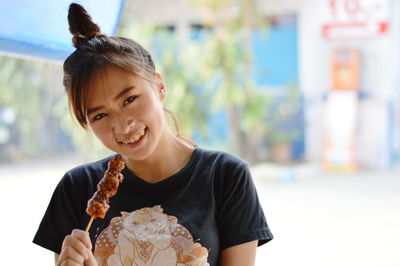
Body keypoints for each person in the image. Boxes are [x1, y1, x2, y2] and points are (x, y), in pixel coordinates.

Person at [33, 3, 273, 266]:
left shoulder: (225, 176)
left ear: (159, 86)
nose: (123, 126)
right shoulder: (76, 188)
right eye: (100, 115)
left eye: (130, 99)